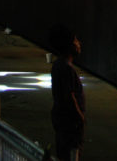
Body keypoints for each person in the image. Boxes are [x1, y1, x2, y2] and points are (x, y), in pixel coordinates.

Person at [49, 24, 85, 161]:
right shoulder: (66, 69)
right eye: (75, 40)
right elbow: (69, 97)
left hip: (63, 122)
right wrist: (80, 118)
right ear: (69, 45)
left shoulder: (58, 66)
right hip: (69, 125)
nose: (79, 43)